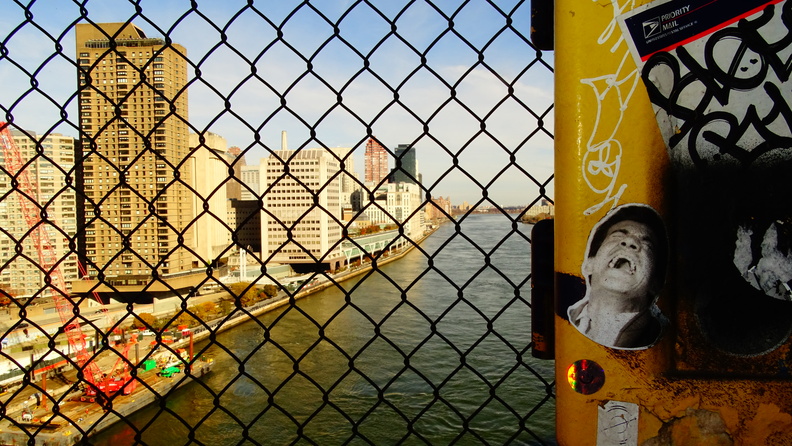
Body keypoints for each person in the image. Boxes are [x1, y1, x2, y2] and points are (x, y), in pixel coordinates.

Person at [568, 204, 668, 349]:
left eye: (647, 244)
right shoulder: (564, 319)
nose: (630, 242)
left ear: (656, 283)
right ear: (589, 264)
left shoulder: (661, 337)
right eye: (618, 236)